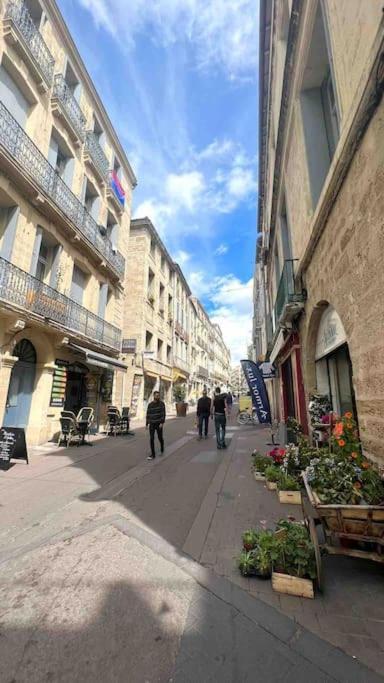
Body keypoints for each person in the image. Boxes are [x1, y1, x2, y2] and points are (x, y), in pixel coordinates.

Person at [146, 391, 166, 460]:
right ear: (153, 396)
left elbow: (163, 414)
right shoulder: (150, 405)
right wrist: (147, 423)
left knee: (160, 437)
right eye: (156, 396)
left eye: (158, 396)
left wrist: (162, 423)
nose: (157, 397)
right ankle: (153, 454)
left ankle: (162, 448)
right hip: (152, 424)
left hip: (159, 424)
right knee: (151, 438)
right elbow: (148, 414)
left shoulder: (162, 404)